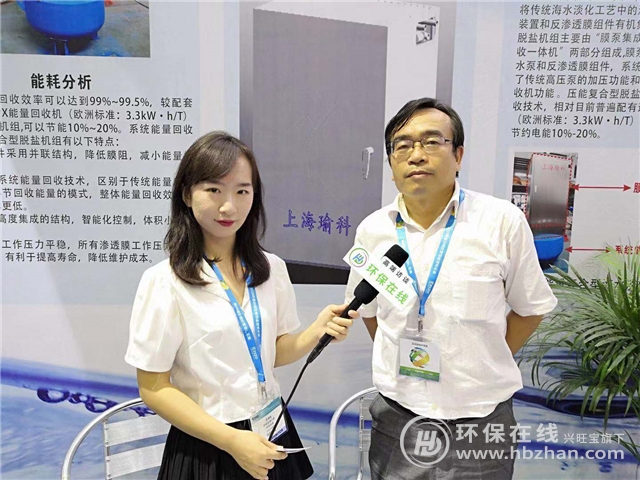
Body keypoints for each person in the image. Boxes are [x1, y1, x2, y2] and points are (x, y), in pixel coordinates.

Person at [345, 98, 557, 479]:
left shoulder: (501, 222)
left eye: (431, 141)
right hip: (398, 419)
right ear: (391, 163)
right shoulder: (373, 231)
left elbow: (531, 308)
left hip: (480, 423)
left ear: (458, 155)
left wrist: (482, 356)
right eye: (402, 145)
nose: (416, 155)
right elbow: (370, 314)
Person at [125, 131, 357, 480]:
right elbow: (153, 387)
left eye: (242, 191)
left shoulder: (272, 268)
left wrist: (315, 331)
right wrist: (232, 441)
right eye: (214, 190)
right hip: (208, 444)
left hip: (270, 428)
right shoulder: (164, 280)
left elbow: (272, 352)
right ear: (187, 194)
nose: (229, 207)